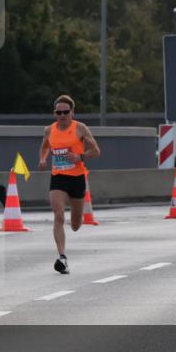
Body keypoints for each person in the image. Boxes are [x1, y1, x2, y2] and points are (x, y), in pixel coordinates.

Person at [38, 95, 101, 274]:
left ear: (72, 112)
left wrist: (80, 157)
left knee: (75, 224)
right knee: (58, 215)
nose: (63, 115)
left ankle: (76, 222)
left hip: (77, 177)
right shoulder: (49, 130)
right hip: (58, 177)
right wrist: (43, 159)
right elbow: (44, 146)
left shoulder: (80, 128)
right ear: (55, 113)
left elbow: (96, 151)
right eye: (59, 112)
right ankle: (62, 258)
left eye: (66, 112)